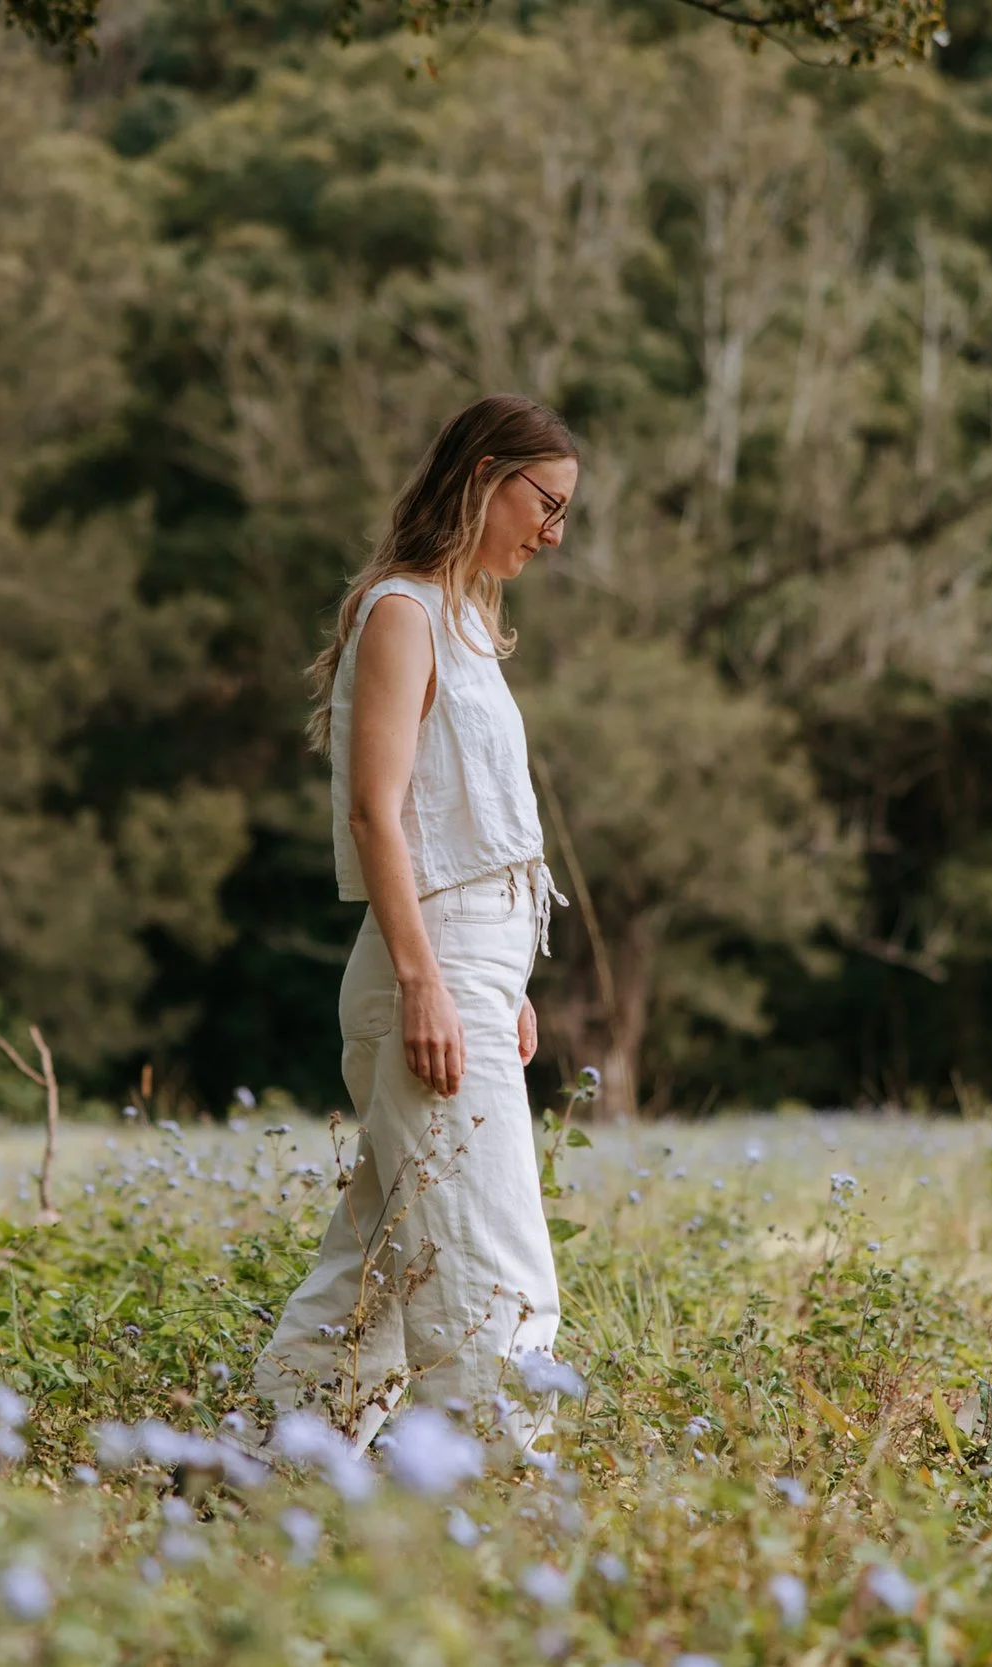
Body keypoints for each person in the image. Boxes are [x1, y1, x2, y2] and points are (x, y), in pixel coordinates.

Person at [252, 394, 578, 1454]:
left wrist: (504, 979)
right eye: (545, 502)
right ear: (485, 473)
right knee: (491, 1267)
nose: (553, 531)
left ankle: (247, 1485)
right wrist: (431, 980)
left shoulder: (469, 621)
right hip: (422, 973)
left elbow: (466, 819)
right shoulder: (402, 611)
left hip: (469, 966)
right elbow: (376, 812)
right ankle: (507, 1515)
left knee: (376, 1277)